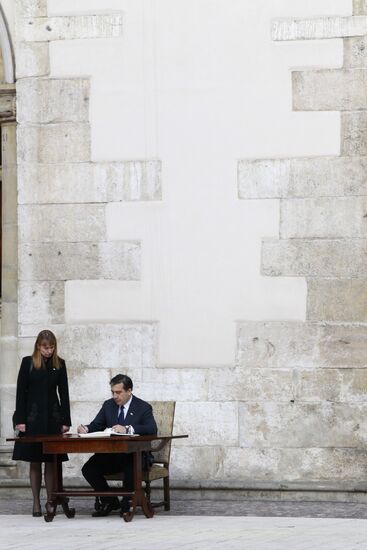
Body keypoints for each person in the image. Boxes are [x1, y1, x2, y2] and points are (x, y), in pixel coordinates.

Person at [77, 373, 157, 517]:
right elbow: (97, 424)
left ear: (129, 391)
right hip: (112, 454)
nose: (115, 396)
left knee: (129, 464)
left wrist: (127, 429)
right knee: (89, 469)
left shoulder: (143, 407)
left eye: (118, 392)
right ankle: (110, 500)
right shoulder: (108, 405)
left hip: (136, 456)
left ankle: (127, 503)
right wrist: (86, 428)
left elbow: (152, 429)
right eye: (113, 392)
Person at [12, 330, 71, 517]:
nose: (49, 351)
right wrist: (19, 420)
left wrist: (66, 420)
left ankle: (50, 501)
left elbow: (64, 393)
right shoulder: (28, 363)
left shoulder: (60, 364)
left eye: (52, 347)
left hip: (53, 419)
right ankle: (36, 503)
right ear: (38, 346)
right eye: (45, 347)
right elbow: (21, 393)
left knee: (51, 462)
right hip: (32, 419)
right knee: (35, 461)